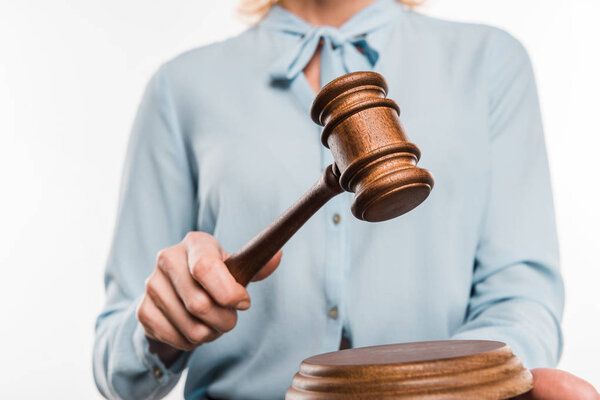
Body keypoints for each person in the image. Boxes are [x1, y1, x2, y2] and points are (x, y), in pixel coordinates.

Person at [93, 0, 599, 399]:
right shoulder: (179, 89)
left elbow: (520, 299)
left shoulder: (489, 62)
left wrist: (454, 387)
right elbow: (118, 367)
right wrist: (161, 328)